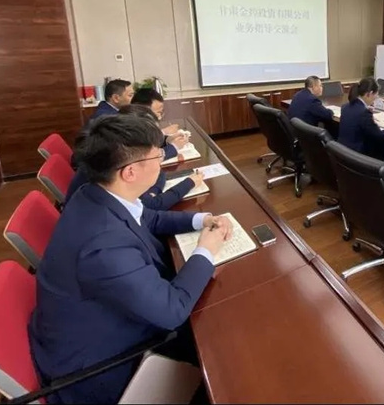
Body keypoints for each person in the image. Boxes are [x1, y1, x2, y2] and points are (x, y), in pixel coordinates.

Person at [28, 114, 233, 404]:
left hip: (93, 324)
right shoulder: (104, 246)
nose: (162, 160)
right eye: (157, 155)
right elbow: (172, 309)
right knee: (221, 336)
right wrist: (206, 250)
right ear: (130, 172)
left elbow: (147, 217)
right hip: (104, 369)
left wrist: (201, 219)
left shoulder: (95, 193)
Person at [65, 105, 204, 210]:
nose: (158, 155)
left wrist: (153, 191)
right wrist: (188, 183)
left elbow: (159, 174)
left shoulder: (116, 149)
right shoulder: (113, 161)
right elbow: (151, 206)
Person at [338, 77, 384, 160]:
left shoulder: (345, 107)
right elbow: (378, 135)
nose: (375, 99)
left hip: (342, 152)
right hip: (357, 156)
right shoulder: (364, 113)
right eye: (376, 95)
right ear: (370, 93)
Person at [131, 88, 187, 153]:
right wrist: (174, 147)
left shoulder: (142, 122)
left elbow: (152, 142)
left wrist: (168, 139)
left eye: (161, 112)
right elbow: (149, 155)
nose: (159, 116)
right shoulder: (132, 127)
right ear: (142, 110)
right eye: (158, 112)